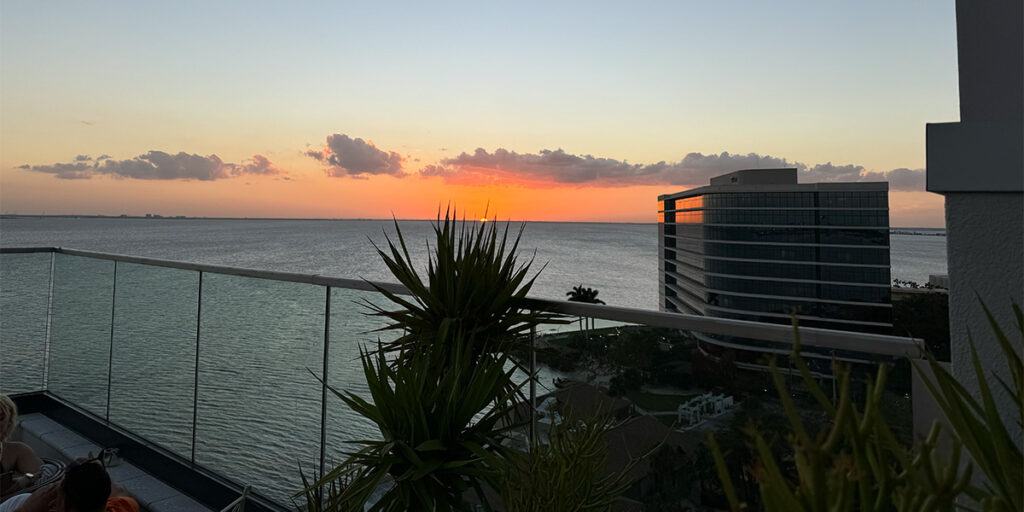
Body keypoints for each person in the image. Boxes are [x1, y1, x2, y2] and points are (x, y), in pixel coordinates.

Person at [0, 396, 43, 498]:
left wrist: (27, 478)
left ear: (9, 421)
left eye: (0, 418)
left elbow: (45, 473)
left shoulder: (15, 450)